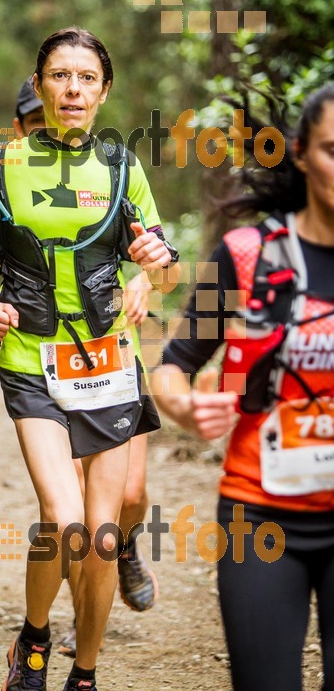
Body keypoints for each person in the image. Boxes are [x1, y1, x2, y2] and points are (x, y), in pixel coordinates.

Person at [0, 27, 179, 691]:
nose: (71, 89)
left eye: (85, 78)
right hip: (31, 358)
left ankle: (85, 672)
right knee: (65, 521)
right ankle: (35, 636)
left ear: (104, 91)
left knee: (103, 538)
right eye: (58, 75)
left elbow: (159, 256)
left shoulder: (123, 166)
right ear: (40, 84)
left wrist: (147, 276)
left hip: (110, 361)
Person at [152, 83, 334, 691]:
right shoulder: (249, 254)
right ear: (303, 153)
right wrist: (183, 406)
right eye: (333, 149)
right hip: (261, 513)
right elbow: (172, 365)